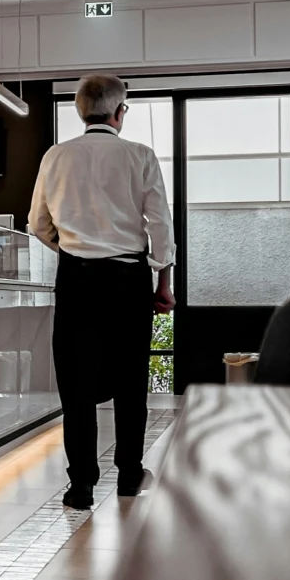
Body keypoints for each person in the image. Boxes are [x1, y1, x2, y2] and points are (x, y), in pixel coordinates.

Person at [27, 73, 176, 509]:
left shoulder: (56, 156)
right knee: (131, 380)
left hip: (76, 280)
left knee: (77, 386)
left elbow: (38, 223)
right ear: (119, 112)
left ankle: (81, 487)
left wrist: (73, 250)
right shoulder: (140, 155)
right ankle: (129, 475)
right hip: (129, 279)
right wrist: (161, 282)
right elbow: (160, 227)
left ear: (80, 111)